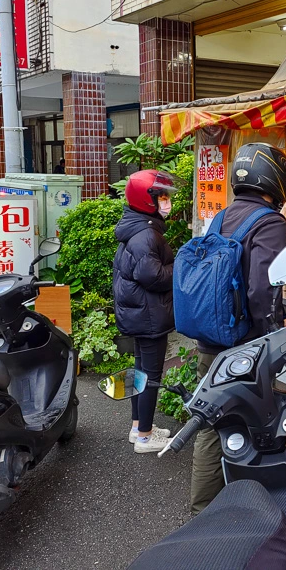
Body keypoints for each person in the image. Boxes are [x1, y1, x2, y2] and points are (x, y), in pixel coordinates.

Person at [190, 142, 286, 513]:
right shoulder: (269, 223)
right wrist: (275, 337)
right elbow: (262, 289)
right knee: (260, 426)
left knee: (211, 426)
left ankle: (203, 512)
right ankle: (253, 513)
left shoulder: (221, 217)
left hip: (211, 341)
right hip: (244, 352)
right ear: (275, 178)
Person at [113, 170, 179, 453]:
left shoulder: (137, 226)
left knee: (139, 371)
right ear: (146, 200)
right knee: (150, 375)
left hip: (139, 312)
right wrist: (181, 266)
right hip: (148, 315)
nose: (167, 202)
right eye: (161, 196)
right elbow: (153, 276)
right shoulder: (146, 234)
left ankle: (137, 426)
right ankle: (145, 437)